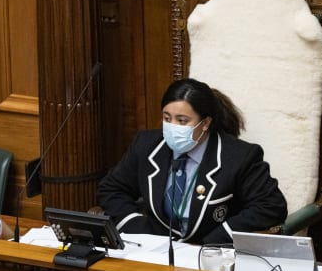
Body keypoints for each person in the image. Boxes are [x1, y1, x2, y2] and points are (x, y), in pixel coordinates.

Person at [97, 78, 287, 245]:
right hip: (154, 250)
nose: (172, 127)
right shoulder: (147, 145)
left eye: (182, 121)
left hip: (210, 254)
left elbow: (271, 206)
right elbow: (111, 189)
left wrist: (219, 237)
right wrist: (138, 226)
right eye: (167, 118)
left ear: (205, 123)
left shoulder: (240, 156)